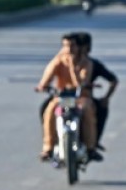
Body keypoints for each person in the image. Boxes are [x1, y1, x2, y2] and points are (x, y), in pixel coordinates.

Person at [35, 33, 101, 162]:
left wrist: (71, 66)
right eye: (65, 46)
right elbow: (48, 74)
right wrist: (42, 85)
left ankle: (90, 148)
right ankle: (48, 148)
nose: (68, 49)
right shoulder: (59, 60)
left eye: (72, 46)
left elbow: (81, 82)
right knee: (49, 112)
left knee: (88, 112)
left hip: (80, 97)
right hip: (62, 96)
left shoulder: (86, 62)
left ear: (78, 47)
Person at [75, 33, 118, 151]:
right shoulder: (62, 62)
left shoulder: (92, 64)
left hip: (84, 98)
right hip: (63, 98)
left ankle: (93, 143)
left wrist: (106, 98)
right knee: (45, 108)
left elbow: (113, 80)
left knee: (101, 109)